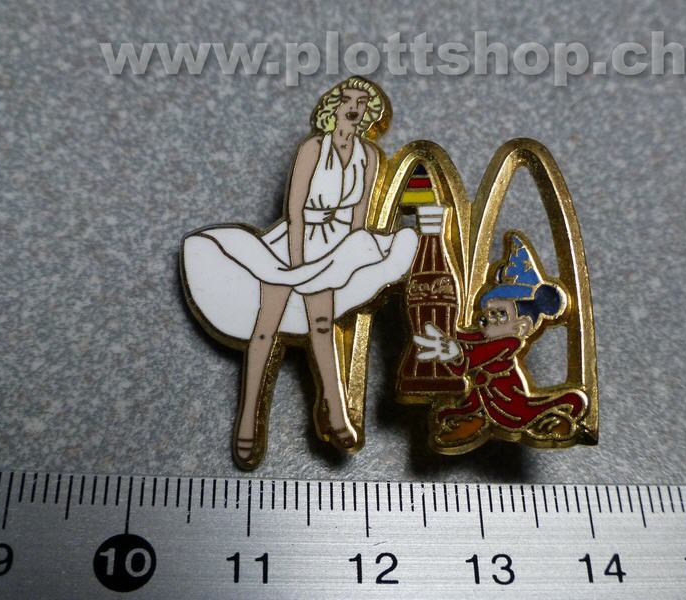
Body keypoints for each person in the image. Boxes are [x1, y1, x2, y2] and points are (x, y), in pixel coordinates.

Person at [181, 77, 417, 467]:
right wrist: (297, 263)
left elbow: (359, 220)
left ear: (369, 114)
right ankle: (248, 420)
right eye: (347, 100)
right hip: (295, 241)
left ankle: (336, 412)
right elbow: (294, 209)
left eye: (361, 103)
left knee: (321, 326)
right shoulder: (312, 148)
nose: (353, 107)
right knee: (265, 328)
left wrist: (345, 260)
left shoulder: (370, 157)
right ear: (333, 106)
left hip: (334, 245)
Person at [413, 233, 587, 449]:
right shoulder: (483, 336)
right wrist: (447, 338)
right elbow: (466, 340)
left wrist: (456, 353)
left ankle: (553, 422)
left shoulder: (507, 344)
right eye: (487, 314)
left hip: (507, 402)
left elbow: (475, 356)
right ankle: (471, 424)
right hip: (480, 399)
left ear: (521, 326)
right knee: (446, 416)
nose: (489, 319)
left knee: (520, 418)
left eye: (500, 314)